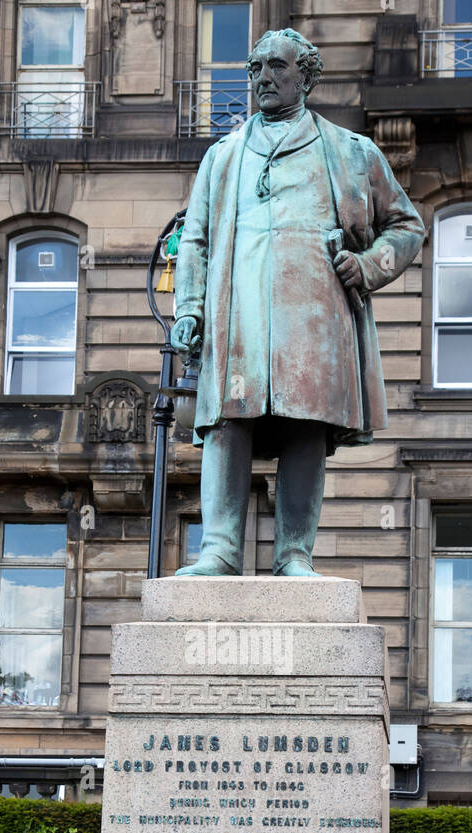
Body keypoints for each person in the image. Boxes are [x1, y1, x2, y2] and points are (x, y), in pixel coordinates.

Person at [171, 27, 425, 577]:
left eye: (276, 67)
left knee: (306, 423)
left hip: (315, 314)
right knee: (226, 422)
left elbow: (407, 226)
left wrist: (367, 266)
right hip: (237, 313)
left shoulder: (352, 152)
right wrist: (189, 308)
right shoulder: (223, 157)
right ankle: (219, 549)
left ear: (306, 77)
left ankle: (293, 554)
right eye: (255, 68)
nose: (262, 77)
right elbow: (193, 240)